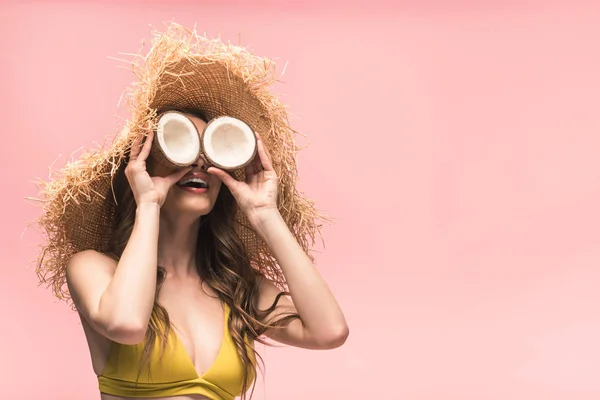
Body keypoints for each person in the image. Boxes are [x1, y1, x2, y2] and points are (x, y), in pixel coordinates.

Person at [33, 24, 348, 400]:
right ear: (143, 165)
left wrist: (266, 214)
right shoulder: (94, 268)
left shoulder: (235, 287)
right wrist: (149, 203)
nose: (198, 161)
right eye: (182, 145)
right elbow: (126, 323)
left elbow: (329, 332)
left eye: (210, 152)